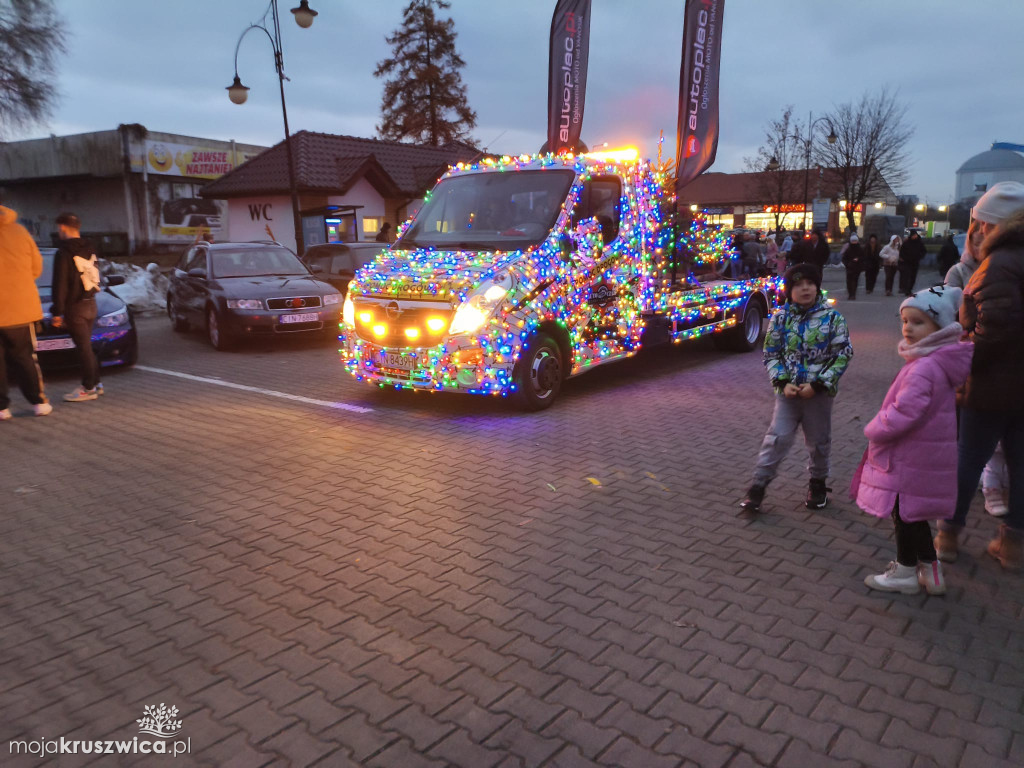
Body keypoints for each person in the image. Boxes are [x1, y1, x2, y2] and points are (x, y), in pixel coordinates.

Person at [853, 285, 972, 595]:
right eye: (905, 321)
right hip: (923, 455)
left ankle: (905, 571)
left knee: (903, 513)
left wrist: (875, 428)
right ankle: (932, 572)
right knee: (912, 513)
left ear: (939, 327)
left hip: (909, 456)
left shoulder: (924, 367)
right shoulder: (936, 362)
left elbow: (905, 412)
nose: (907, 328)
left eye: (918, 322)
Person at [936, 181, 1024, 570]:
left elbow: (995, 328)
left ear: (991, 225)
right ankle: (1013, 547)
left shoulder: (1000, 263)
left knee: (966, 460)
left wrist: (964, 357)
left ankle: (947, 536)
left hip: (991, 384)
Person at [740, 263, 853, 514]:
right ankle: (758, 486)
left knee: (819, 442)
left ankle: (818, 484)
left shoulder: (832, 318)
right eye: (799, 285)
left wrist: (819, 384)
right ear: (789, 290)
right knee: (776, 438)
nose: (805, 289)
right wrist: (781, 381)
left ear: (817, 287)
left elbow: (842, 355)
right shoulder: (780, 318)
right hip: (788, 395)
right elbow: (771, 354)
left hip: (818, 395)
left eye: (810, 284)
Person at [0, 204, 52, 419]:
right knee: (24, 357)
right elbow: (37, 267)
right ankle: (38, 402)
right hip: (20, 310)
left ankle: (2, 408)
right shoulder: (20, 232)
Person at [51, 212, 103, 402]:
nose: (58, 232)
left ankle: (88, 388)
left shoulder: (63, 252)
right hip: (91, 303)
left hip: (75, 308)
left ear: (63, 227)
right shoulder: (90, 248)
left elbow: (60, 284)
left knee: (83, 349)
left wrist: (58, 312)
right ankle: (96, 383)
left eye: (59, 228)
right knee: (87, 347)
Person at [943, 218, 982, 288]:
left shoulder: (1002, 268)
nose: (981, 248)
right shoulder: (957, 271)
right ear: (969, 244)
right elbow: (951, 297)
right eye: (977, 244)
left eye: (986, 244)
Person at [898, 229, 926, 296]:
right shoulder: (907, 243)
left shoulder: (919, 243)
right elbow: (902, 251)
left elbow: (924, 251)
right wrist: (904, 258)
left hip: (915, 263)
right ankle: (906, 289)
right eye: (913, 235)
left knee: (913, 277)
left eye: (915, 235)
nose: (914, 237)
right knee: (907, 277)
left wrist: (919, 257)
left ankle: (909, 289)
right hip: (907, 262)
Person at [840, 233, 865, 300]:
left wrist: (858, 259)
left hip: (857, 268)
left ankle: (853, 294)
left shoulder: (860, 249)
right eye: (853, 241)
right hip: (849, 267)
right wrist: (847, 264)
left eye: (855, 241)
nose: (854, 242)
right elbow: (844, 258)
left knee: (855, 281)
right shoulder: (848, 249)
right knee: (849, 281)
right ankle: (850, 293)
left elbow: (863, 257)